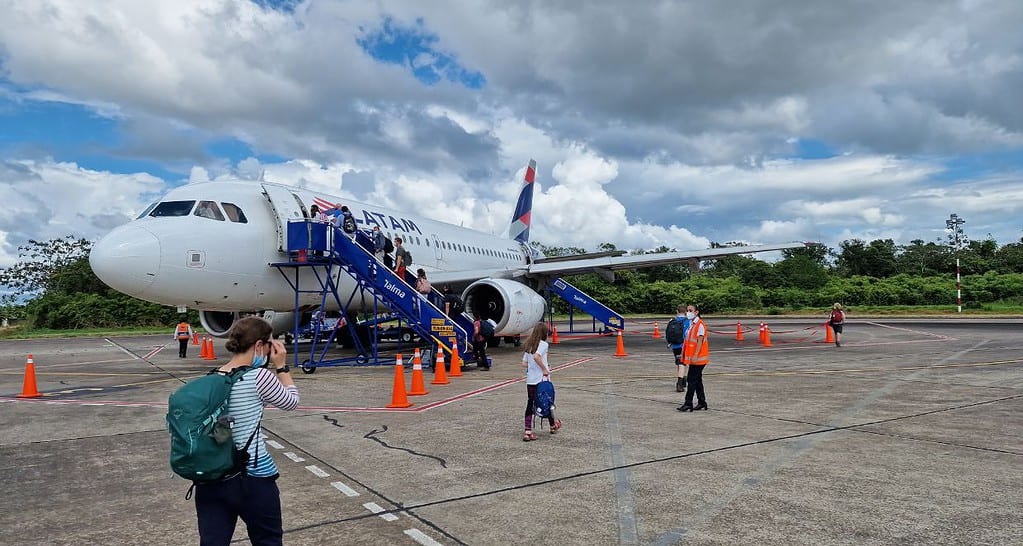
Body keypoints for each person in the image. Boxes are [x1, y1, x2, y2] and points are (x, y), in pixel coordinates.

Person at [193, 316, 299, 546]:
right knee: (267, 540)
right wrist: (282, 367)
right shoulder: (259, 376)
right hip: (253, 478)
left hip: (211, 478)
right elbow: (291, 401)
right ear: (259, 346)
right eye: (270, 345)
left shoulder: (212, 376)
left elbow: (219, 428)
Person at [521, 322, 560, 441]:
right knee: (547, 402)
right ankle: (553, 425)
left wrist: (533, 367)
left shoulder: (529, 345)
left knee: (530, 403)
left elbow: (524, 363)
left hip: (530, 381)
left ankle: (528, 431)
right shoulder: (543, 344)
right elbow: (537, 356)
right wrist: (544, 368)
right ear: (544, 333)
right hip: (541, 380)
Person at [677, 304, 709, 412]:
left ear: (696, 312)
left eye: (690, 310)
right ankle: (702, 402)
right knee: (697, 380)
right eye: (687, 310)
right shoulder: (692, 324)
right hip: (694, 359)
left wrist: (695, 355)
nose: (688, 312)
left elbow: (699, 342)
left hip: (699, 359)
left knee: (691, 380)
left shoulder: (700, 325)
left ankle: (688, 403)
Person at [666, 304, 690, 392]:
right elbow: (687, 334)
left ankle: (682, 379)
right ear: (686, 312)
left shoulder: (672, 320)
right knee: (682, 363)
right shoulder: (687, 321)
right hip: (683, 345)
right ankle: (680, 384)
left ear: (677, 311)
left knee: (679, 362)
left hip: (674, 345)